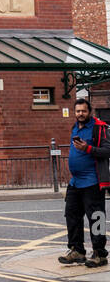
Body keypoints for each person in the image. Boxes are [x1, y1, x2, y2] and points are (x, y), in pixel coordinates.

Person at [58, 96, 109, 268]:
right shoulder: (75, 128)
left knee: (97, 217)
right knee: (71, 215)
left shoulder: (100, 128)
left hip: (93, 182)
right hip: (76, 182)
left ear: (90, 112)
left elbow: (107, 151)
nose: (80, 114)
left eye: (83, 111)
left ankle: (100, 254)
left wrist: (87, 148)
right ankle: (77, 250)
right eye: (78, 111)